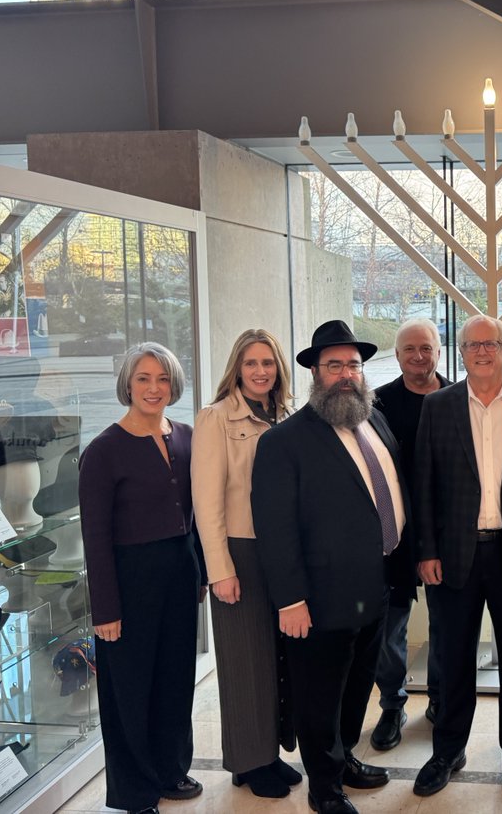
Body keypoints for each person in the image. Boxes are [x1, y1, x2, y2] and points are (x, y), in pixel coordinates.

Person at [251, 320, 406, 814]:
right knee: (319, 697)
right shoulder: (284, 442)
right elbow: (275, 530)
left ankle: (344, 763)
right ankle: (324, 787)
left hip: (375, 588)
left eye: (353, 365)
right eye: (334, 365)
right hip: (318, 599)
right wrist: (290, 600)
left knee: (359, 685)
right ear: (316, 373)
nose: (345, 374)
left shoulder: (374, 421)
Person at [411, 314, 502, 801]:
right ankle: (448, 750)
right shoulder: (439, 406)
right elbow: (424, 484)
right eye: (473, 344)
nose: (482, 352)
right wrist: (426, 550)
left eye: (491, 343)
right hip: (454, 556)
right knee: (452, 658)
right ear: (462, 350)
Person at [79, 342, 205, 814]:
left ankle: (170, 770)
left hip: (179, 574)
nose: (154, 388)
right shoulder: (103, 451)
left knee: (175, 679)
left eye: (163, 379)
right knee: (129, 688)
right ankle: (135, 792)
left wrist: (201, 576)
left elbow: (200, 515)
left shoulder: (188, 437)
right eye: (143, 379)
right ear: (127, 385)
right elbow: (96, 537)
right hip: (129, 582)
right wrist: (105, 609)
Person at [192, 328, 302, 797]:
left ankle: (267, 753)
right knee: (243, 660)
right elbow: (206, 501)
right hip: (239, 550)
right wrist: (221, 570)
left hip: (281, 551)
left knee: (275, 657)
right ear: (237, 368)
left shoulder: (287, 415)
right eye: (252, 363)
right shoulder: (215, 419)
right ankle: (249, 761)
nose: (261, 371)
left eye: (269, 363)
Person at [370, 318, 450, 750]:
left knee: (446, 622)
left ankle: (439, 699)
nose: (418, 356)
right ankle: (391, 704)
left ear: (439, 350)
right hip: (396, 533)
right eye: (409, 350)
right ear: (397, 356)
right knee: (391, 625)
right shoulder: (377, 404)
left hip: (447, 534)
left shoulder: (459, 397)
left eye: (426, 347)